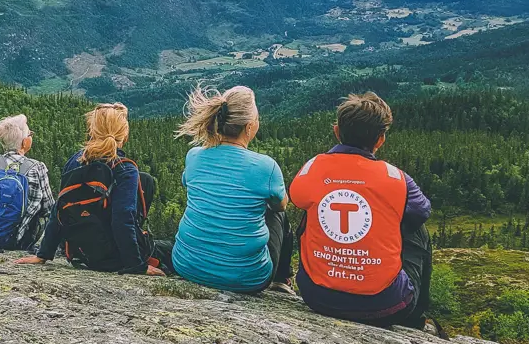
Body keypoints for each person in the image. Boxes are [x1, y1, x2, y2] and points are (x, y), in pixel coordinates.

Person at [289, 92, 433, 329]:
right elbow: (421, 211)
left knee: (310, 209)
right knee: (418, 230)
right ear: (380, 140)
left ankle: (328, 274)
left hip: (317, 296)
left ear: (337, 131)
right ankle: (415, 320)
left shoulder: (313, 166)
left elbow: (297, 199)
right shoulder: (396, 178)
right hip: (386, 305)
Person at [16, 103, 172, 276]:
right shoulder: (124, 168)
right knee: (171, 250)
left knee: (145, 180)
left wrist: (43, 254)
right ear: (124, 134)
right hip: (114, 258)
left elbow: (59, 208)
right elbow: (122, 219)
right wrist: (137, 265)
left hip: (81, 253)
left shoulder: (75, 161)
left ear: (92, 130)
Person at [171, 86, 294, 293]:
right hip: (248, 278)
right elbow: (281, 205)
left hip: (186, 265)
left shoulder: (194, 155)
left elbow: (187, 183)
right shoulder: (266, 167)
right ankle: (281, 280)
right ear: (249, 127)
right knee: (278, 215)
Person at [0, 114, 53, 251]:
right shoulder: (37, 168)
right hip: (21, 241)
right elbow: (48, 208)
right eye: (30, 133)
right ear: (25, 142)